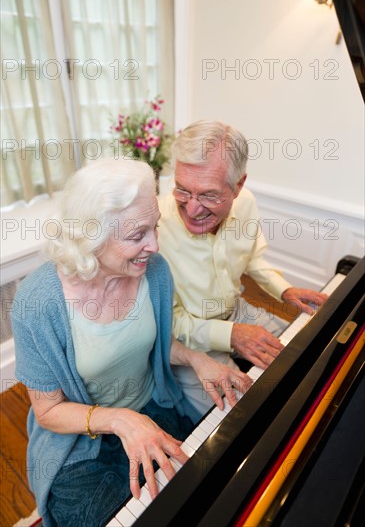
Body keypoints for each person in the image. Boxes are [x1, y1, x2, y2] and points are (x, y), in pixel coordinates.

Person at [11, 158, 252, 527]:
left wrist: (195, 358)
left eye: (154, 228)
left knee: (203, 494)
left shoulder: (153, 273)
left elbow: (152, 341)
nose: (154, 246)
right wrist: (122, 421)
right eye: (138, 235)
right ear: (92, 237)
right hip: (80, 444)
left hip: (152, 409)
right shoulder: (38, 303)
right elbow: (47, 411)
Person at [158, 120, 328, 414]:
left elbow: (250, 257)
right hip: (190, 342)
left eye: (209, 195)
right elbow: (169, 322)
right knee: (240, 417)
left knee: (305, 356)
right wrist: (232, 334)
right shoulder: (155, 227)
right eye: (182, 190)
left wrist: (284, 290)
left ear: (238, 186)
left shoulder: (246, 203)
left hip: (237, 310)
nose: (192, 208)